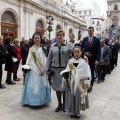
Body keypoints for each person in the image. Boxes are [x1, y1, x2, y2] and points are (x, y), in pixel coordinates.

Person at [45, 29, 73, 112]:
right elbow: (49, 58)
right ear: (56, 36)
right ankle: (59, 104)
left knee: (64, 88)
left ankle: (65, 105)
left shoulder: (69, 45)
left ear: (63, 36)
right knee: (57, 88)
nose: (59, 36)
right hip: (55, 70)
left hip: (65, 70)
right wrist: (46, 69)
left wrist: (83, 59)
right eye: (58, 35)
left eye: (61, 35)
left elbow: (75, 54)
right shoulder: (53, 46)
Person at [21, 32, 51, 106]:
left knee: (41, 84)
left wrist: (45, 70)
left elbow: (45, 59)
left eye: (38, 38)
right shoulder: (31, 49)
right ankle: (30, 101)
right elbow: (28, 59)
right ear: (33, 39)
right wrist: (26, 67)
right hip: (32, 69)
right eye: (35, 38)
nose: (37, 39)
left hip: (41, 69)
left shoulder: (43, 48)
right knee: (32, 84)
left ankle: (41, 100)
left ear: (40, 39)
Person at [62, 44, 91, 119]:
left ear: (81, 52)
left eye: (78, 52)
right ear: (73, 53)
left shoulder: (84, 62)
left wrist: (87, 83)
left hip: (80, 83)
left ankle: (78, 112)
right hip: (72, 82)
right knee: (72, 97)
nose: (76, 53)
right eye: (75, 52)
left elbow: (87, 73)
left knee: (79, 98)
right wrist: (65, 79)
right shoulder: (70, 61)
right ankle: (72, 111)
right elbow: (66, 70)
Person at [81, 26, 101, 92]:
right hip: (85, 60)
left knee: (91, 73)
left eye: (91, 30)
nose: (89, 31)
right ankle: (85, 84)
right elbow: (81, 49)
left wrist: (97, 60)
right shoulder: (84, 39)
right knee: (85, 73)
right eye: (88, 30)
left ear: (93, 31)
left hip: (93, 60)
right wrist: (85, 53)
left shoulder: (97, 40)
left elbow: (99, 50)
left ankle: (90, 86)